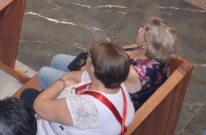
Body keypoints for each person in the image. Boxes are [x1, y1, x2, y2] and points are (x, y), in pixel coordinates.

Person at [36, 18, 178, 109]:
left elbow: (99, 79)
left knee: (44, 73)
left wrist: (83, 71)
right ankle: (55, 93)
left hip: (106, 95)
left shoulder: (136, 72)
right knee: (57, 59)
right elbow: (112, 54)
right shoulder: (143, 49)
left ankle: (52, 102)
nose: (139, 30)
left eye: (142, 31)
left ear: (147, 45)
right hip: (100, 71)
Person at [31, 41, 135, 134]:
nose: (87, 57)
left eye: (89, 55)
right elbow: (71, 75)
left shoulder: (87, 108)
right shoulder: (113, 81)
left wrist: (62, 84)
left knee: (27, 95)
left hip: (46, 128)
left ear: (93, 69)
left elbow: (38, 105)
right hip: (61, 109)